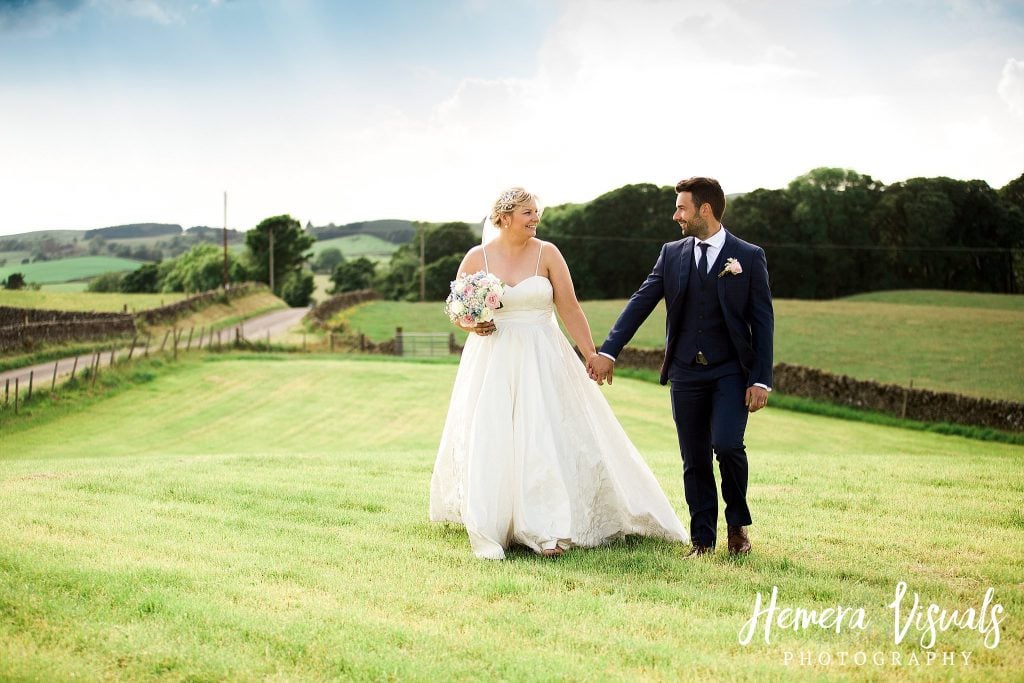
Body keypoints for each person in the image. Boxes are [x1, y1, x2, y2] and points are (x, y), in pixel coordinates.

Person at [429, 187, 687, 560]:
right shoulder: (477, 257)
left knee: (543, 434)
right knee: (495, 434)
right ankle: (494, 521)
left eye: (537, 213)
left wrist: (591, 355)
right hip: (494, 359)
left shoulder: (547, 253)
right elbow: (457, 308)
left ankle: (547, 527)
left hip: (543, 354)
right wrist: (471, 325)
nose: (535, 219)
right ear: (504, 217)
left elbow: (569, 307)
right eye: (527, 213)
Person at [587, 177, 774, 558]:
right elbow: (642, 301)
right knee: (694, 457)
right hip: (686, 371)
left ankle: (737, 526)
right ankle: (702, 541)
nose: (676, 216)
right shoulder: (672, 253)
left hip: (729, 371)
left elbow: (763, 321)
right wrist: (609, 350)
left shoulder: (748, 256)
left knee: (727, 445)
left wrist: (760, 379)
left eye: (682, 208)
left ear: (705, 209)